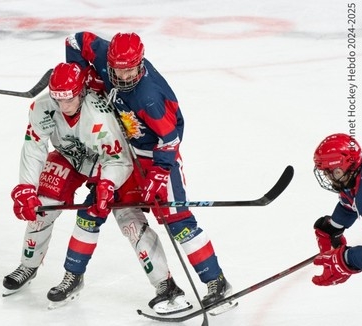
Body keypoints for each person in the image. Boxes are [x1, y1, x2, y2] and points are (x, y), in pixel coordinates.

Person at [64, 31, 235, 312]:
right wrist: (82, 77)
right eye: (118, 68)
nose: (124, 74)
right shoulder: (105, 54)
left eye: (130, 68)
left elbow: (170, 139)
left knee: (176, 221)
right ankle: (164, 286)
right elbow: (74, 41)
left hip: (154, 154)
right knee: (103, 211)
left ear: (140, 62)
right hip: (120, 151)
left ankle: (217, 282)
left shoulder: (150, 97)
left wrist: (158, 173)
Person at [3, 62, 192, 315]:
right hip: (69, 156)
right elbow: (34, 147)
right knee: (41, 205)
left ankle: (165, 286)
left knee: (128, 220)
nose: (63, 106)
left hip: (110, 163)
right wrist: (26, 186)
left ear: (81, 92)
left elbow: (120, 159)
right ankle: (29, 264)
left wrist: (107, 184)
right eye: (57, 99)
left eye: (68, 99)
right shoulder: (42, 107)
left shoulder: (99, 115)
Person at [311, 133, 362, 286]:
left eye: (333, 172)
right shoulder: (361, 171)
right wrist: (334, 226)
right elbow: (350, 202)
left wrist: (345, 259)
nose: (329, 178)